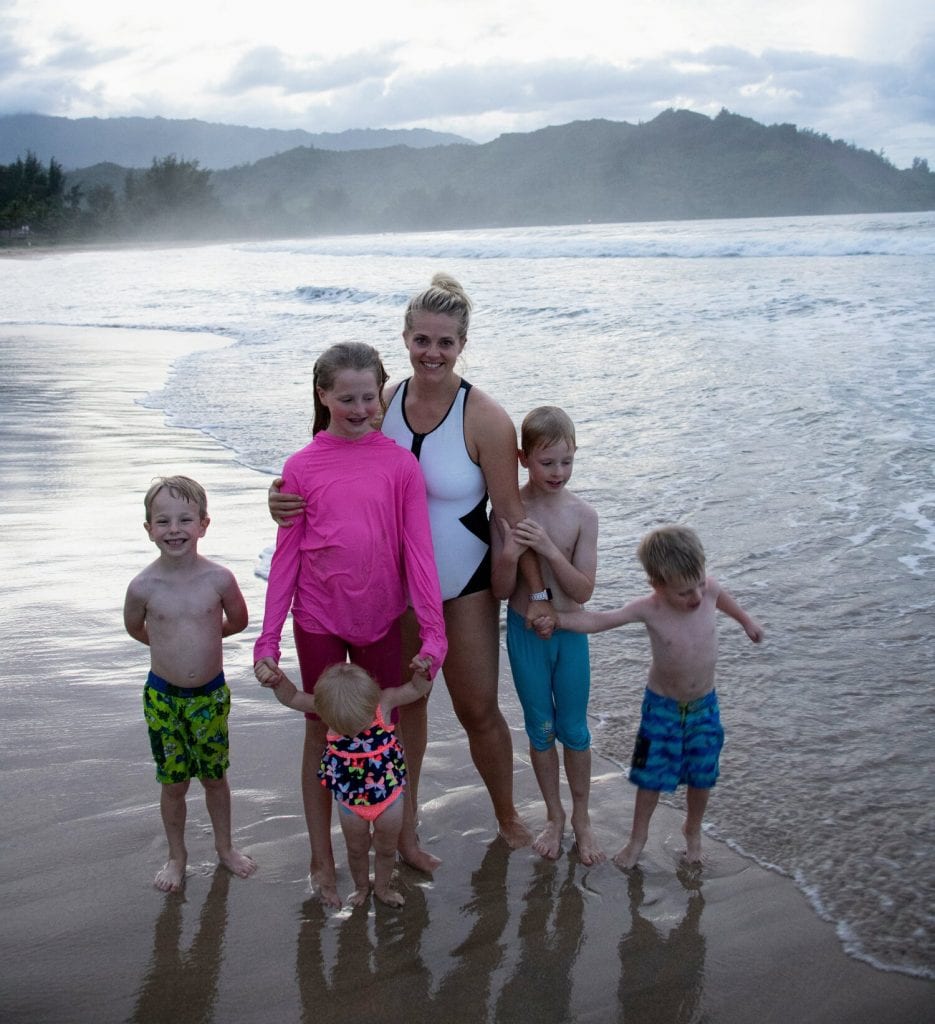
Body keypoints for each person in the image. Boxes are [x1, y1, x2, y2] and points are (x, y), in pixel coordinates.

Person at [270, 274, 557, 866]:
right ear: (404, 338)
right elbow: (326, 468)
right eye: (421, 339)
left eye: (445, 342)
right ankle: (407, 832)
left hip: (464, 584)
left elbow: (512, 518)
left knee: (477, 708)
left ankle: (506, 814)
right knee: (403, 711)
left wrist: (539, 594)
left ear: (462, 345)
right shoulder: (381, 402)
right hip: (391, 590)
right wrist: (278, 498)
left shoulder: (486, 418)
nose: (432, 352)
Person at [253, 341, 447, 908]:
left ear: (381, 394)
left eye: (369, 397)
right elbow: (286, 558)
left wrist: (433, 635)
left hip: (381, 616)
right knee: (321, 729)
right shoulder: (300, 467)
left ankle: (399, 835)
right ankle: (322, 857)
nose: (360, 408)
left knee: (388, 723)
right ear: (322, 396)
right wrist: (267, 641)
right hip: (316, 617)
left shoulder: (399, 464)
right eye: (346, 398)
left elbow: (419, 553)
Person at [555, 525, 764, 869]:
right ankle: (638, 840)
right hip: (661, 709)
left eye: (699, 584)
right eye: (684, 592)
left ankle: (692, 831)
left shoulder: (707, 587)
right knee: (650, 777)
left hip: (704, 707)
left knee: (702, 775)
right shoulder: (648, 609)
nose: (696, 597)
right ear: (657, 585)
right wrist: (558, 619)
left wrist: (746, 620)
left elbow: (720, 596)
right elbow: (599, 621)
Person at [123, 475, 256, 893]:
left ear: (204, 524)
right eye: (163, 521)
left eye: (185, 519)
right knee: (174, 782)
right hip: (164, 698)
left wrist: (204, 638)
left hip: (210, 697)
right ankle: (176, 856)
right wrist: (169, 644)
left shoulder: (218, 579)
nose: (174, 529)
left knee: (215, 777)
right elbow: (135, 628)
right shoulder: (142, 586)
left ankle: (225, 848)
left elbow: (238, 620)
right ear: (149, 530)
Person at [490, 406, 605, 865]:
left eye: (566, 461)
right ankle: (554, 816)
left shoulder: (583, 515)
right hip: (525, 635)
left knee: (574, 730)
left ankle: (582, 817)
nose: (558, 472)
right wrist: (512, 553)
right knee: (540, 728)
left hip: (569, 633)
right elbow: (501, 590)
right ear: (523, 459)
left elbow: (583, 589)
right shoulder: (507, 511)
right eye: (546, 462)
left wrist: (549, 550)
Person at [256, 659, 433, 908]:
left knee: (386, 848)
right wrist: (278, 682)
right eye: (343, 726)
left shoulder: (383, 702)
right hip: (351, 804)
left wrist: (424, 672)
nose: (351, 730)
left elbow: (416, 690)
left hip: (390, 800)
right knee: (356, 850)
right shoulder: (330, 707)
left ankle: (382, 888)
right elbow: (293, 697)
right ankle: (362, 888)